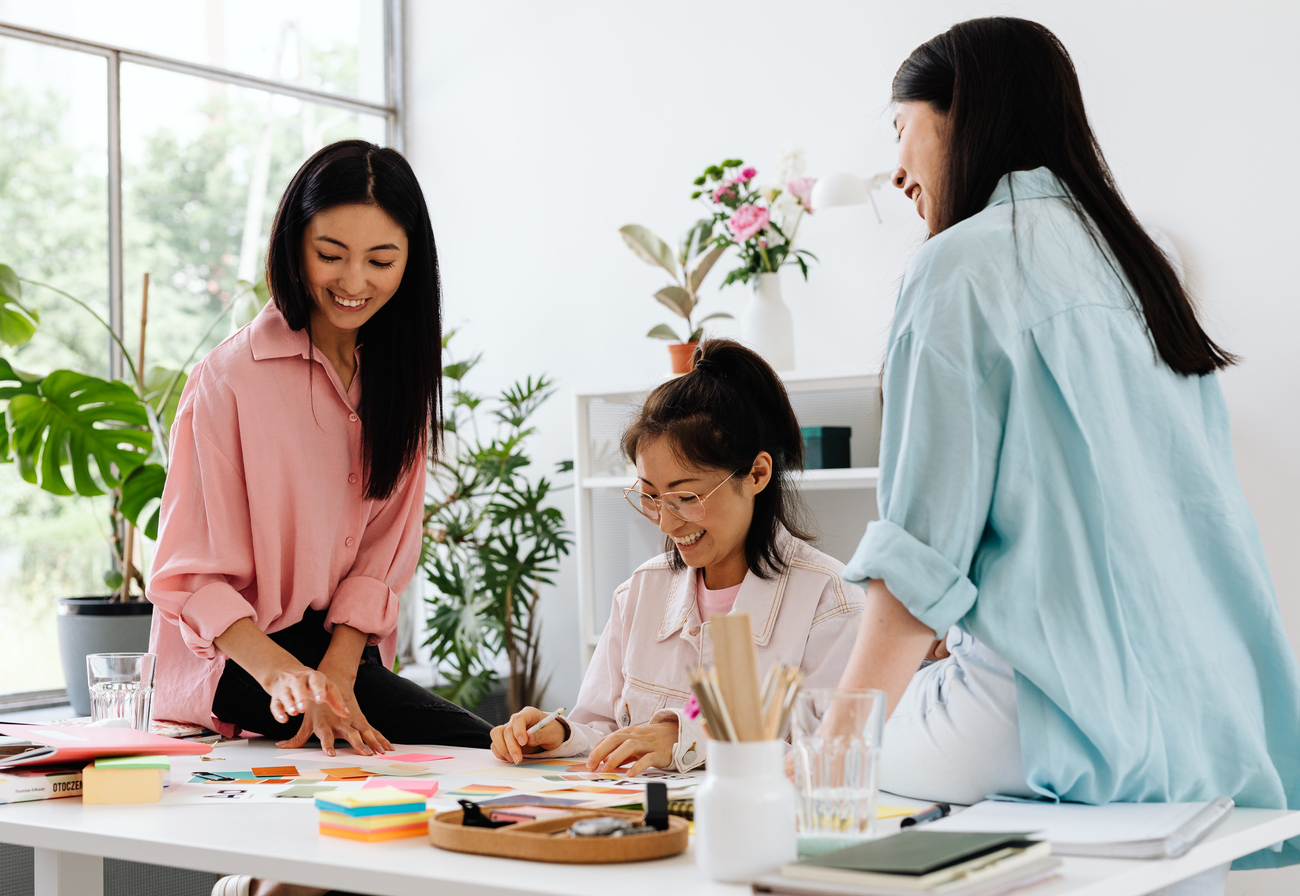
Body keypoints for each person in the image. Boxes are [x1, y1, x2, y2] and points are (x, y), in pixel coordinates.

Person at [831, 16, 1300, 893]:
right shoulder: (1140, 268)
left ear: (959, 114)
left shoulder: (956, 268)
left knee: (833, 756)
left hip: (1055, 718)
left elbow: (915, 564)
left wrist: (823, 764)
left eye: (899, 128)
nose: (894, 168)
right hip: (1202, 720)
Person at [147, 140, 492, 764]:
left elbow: (383, 552)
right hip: (239, 658)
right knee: (466, 746)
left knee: (471, 747)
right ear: (294, 244)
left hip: (337, 650)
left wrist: (334, 676)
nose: (354, 283)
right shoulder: (229, 381)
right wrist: (286, 678)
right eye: (330, 255)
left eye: (380, 261)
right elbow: (190, 573)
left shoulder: (400, 379)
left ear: (411, 262)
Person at [490, 339, 863, 775]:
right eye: (651, 496)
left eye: (687, 497)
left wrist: (691, 738)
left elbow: (832, 758)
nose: (666, 524)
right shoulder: (639, 593)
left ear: (757, 474)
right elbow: (601, 725)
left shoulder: (830, 603)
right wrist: (559, 735)